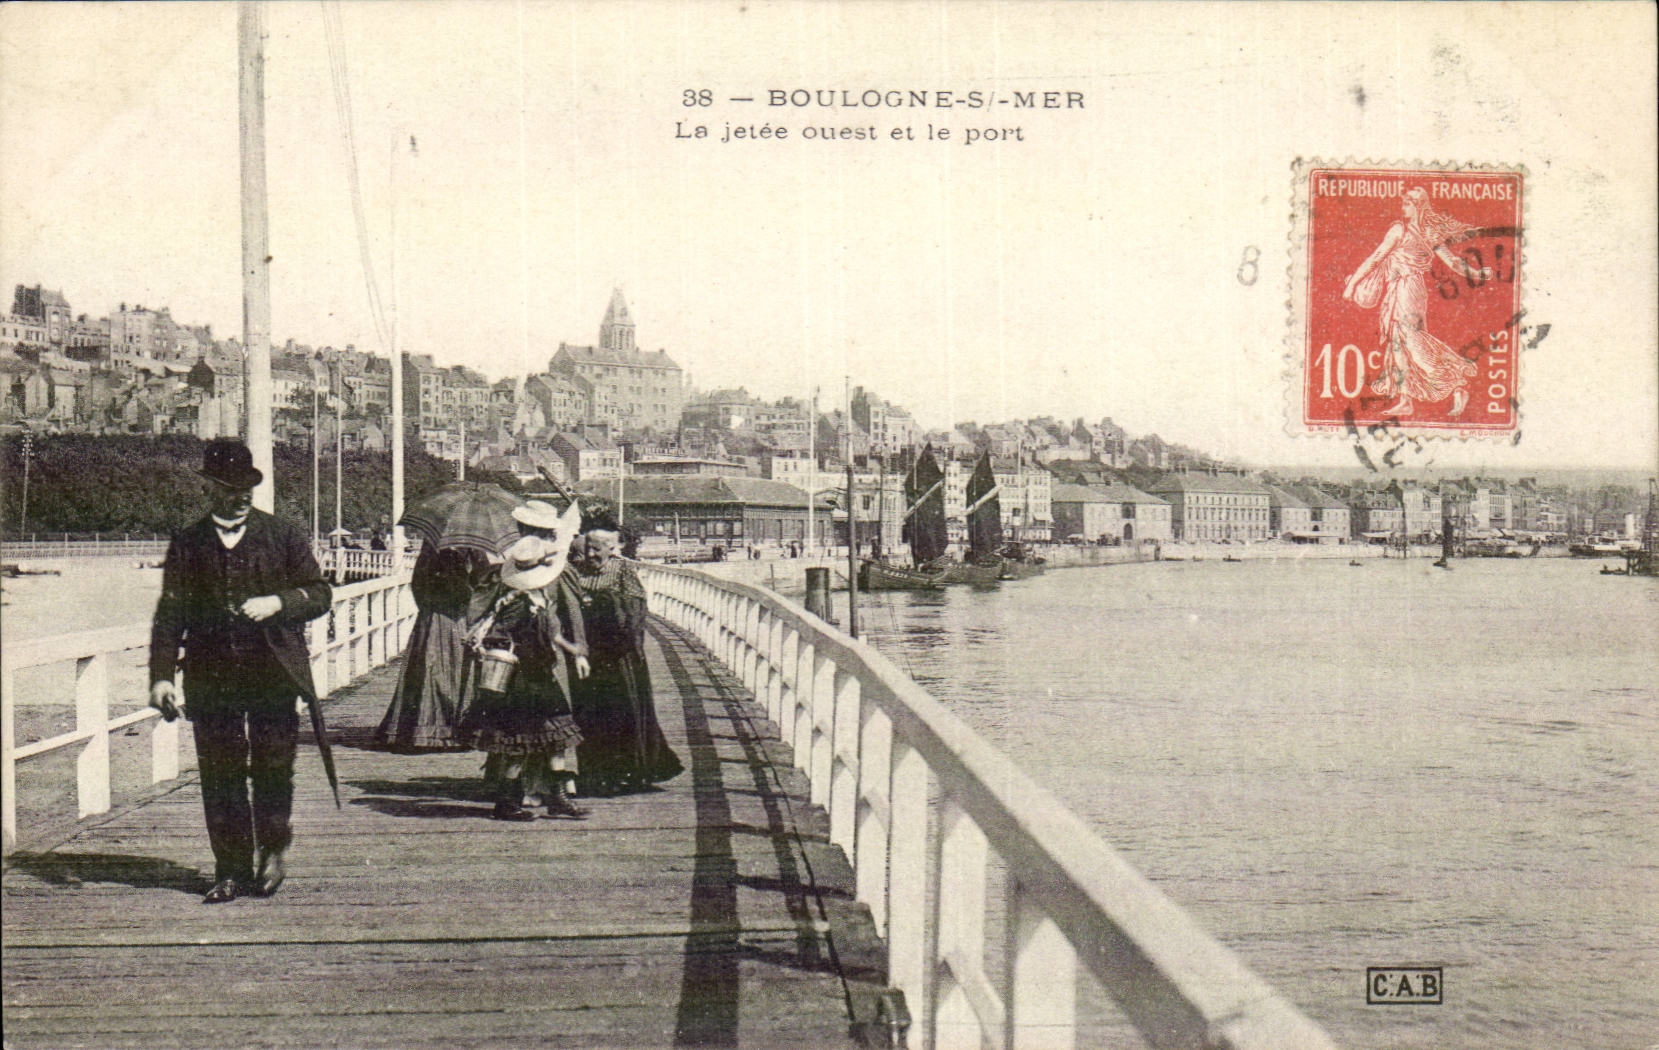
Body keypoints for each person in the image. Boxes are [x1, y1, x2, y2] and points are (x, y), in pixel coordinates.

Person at [149, 439, 332, 903]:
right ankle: (229, 869)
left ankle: (272, 849)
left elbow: (319, 592)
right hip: (211, 676)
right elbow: (170, 613)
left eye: (248, 486)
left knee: (273, 766)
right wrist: (162, 676)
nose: (242, 495)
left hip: (272, 671)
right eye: (230, 488)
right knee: (221, 771)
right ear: (209, 488)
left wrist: (279, 602)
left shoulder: (282, 535)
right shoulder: (188, 542)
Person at [458, 534, 590, 820]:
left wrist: (574, 650)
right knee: (520, 743)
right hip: (522, 682)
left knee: (557, 738)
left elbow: (552, 633)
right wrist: (513, 649)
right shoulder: (516, 603)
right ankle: (507, 802)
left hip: (542, 676)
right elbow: (497, 636)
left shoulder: (539, 598)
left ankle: (558, 798)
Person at [1342, 187, 1496, 418]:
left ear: (1418, 205)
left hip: (1406, 290)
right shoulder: (1427, 231)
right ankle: (1406, 400)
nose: (1403, 207)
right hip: (1403, 289)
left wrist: (1352, 284)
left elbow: (1375, 258)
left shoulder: (1400, 230)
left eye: (1407, 203)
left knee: (1413, 342)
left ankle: (1457, 385)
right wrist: (1478, 274)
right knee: (1397, 342)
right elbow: (1453, 262)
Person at [569, 526, 683, 796]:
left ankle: (631, 772)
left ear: (612, 548)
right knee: (592, 714)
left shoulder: (622, 571)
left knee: (624, 712)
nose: (591, 553)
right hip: (591, 654)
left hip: (619, 655)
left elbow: (635, 612)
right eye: (587, 548)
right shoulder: (578, 572)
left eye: (597, 548)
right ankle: (596, 773)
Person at [372, 545, 498, 751]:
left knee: (432, 668)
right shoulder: (472, 549)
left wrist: (431, 606)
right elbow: (483, 585)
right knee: (451, 671)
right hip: (456, 618)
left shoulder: (435, 545)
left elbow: (418, 584)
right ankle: (456, 729)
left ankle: (428, 728)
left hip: (438, 617)